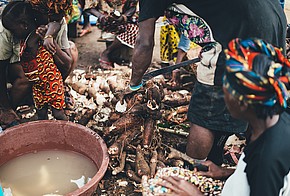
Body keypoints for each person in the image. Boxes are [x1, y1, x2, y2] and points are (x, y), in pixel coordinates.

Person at [124, 0, 287, 165]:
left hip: (241, 33)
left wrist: (134, 84)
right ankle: (228, 157)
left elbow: (144, 42)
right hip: (273, 19)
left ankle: (194, 170)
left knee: (204, 112)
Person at [158, 38, 290, 196]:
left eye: (225, 90)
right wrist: (226, 172)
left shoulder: (266, 160)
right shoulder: (276, 120)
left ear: (243, 103)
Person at [0, 0, 77, 128]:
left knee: (72, 51)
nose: (57, 20)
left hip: (46, 74)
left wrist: (49, 39)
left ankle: (65, 124)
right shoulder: (10, 23)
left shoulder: (56, 18)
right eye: (53, 18)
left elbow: (67, 62)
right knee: (39, 108)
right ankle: (10, 107)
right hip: (19, 69)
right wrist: (6, 108)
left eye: (58, 18)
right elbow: (1, 69)